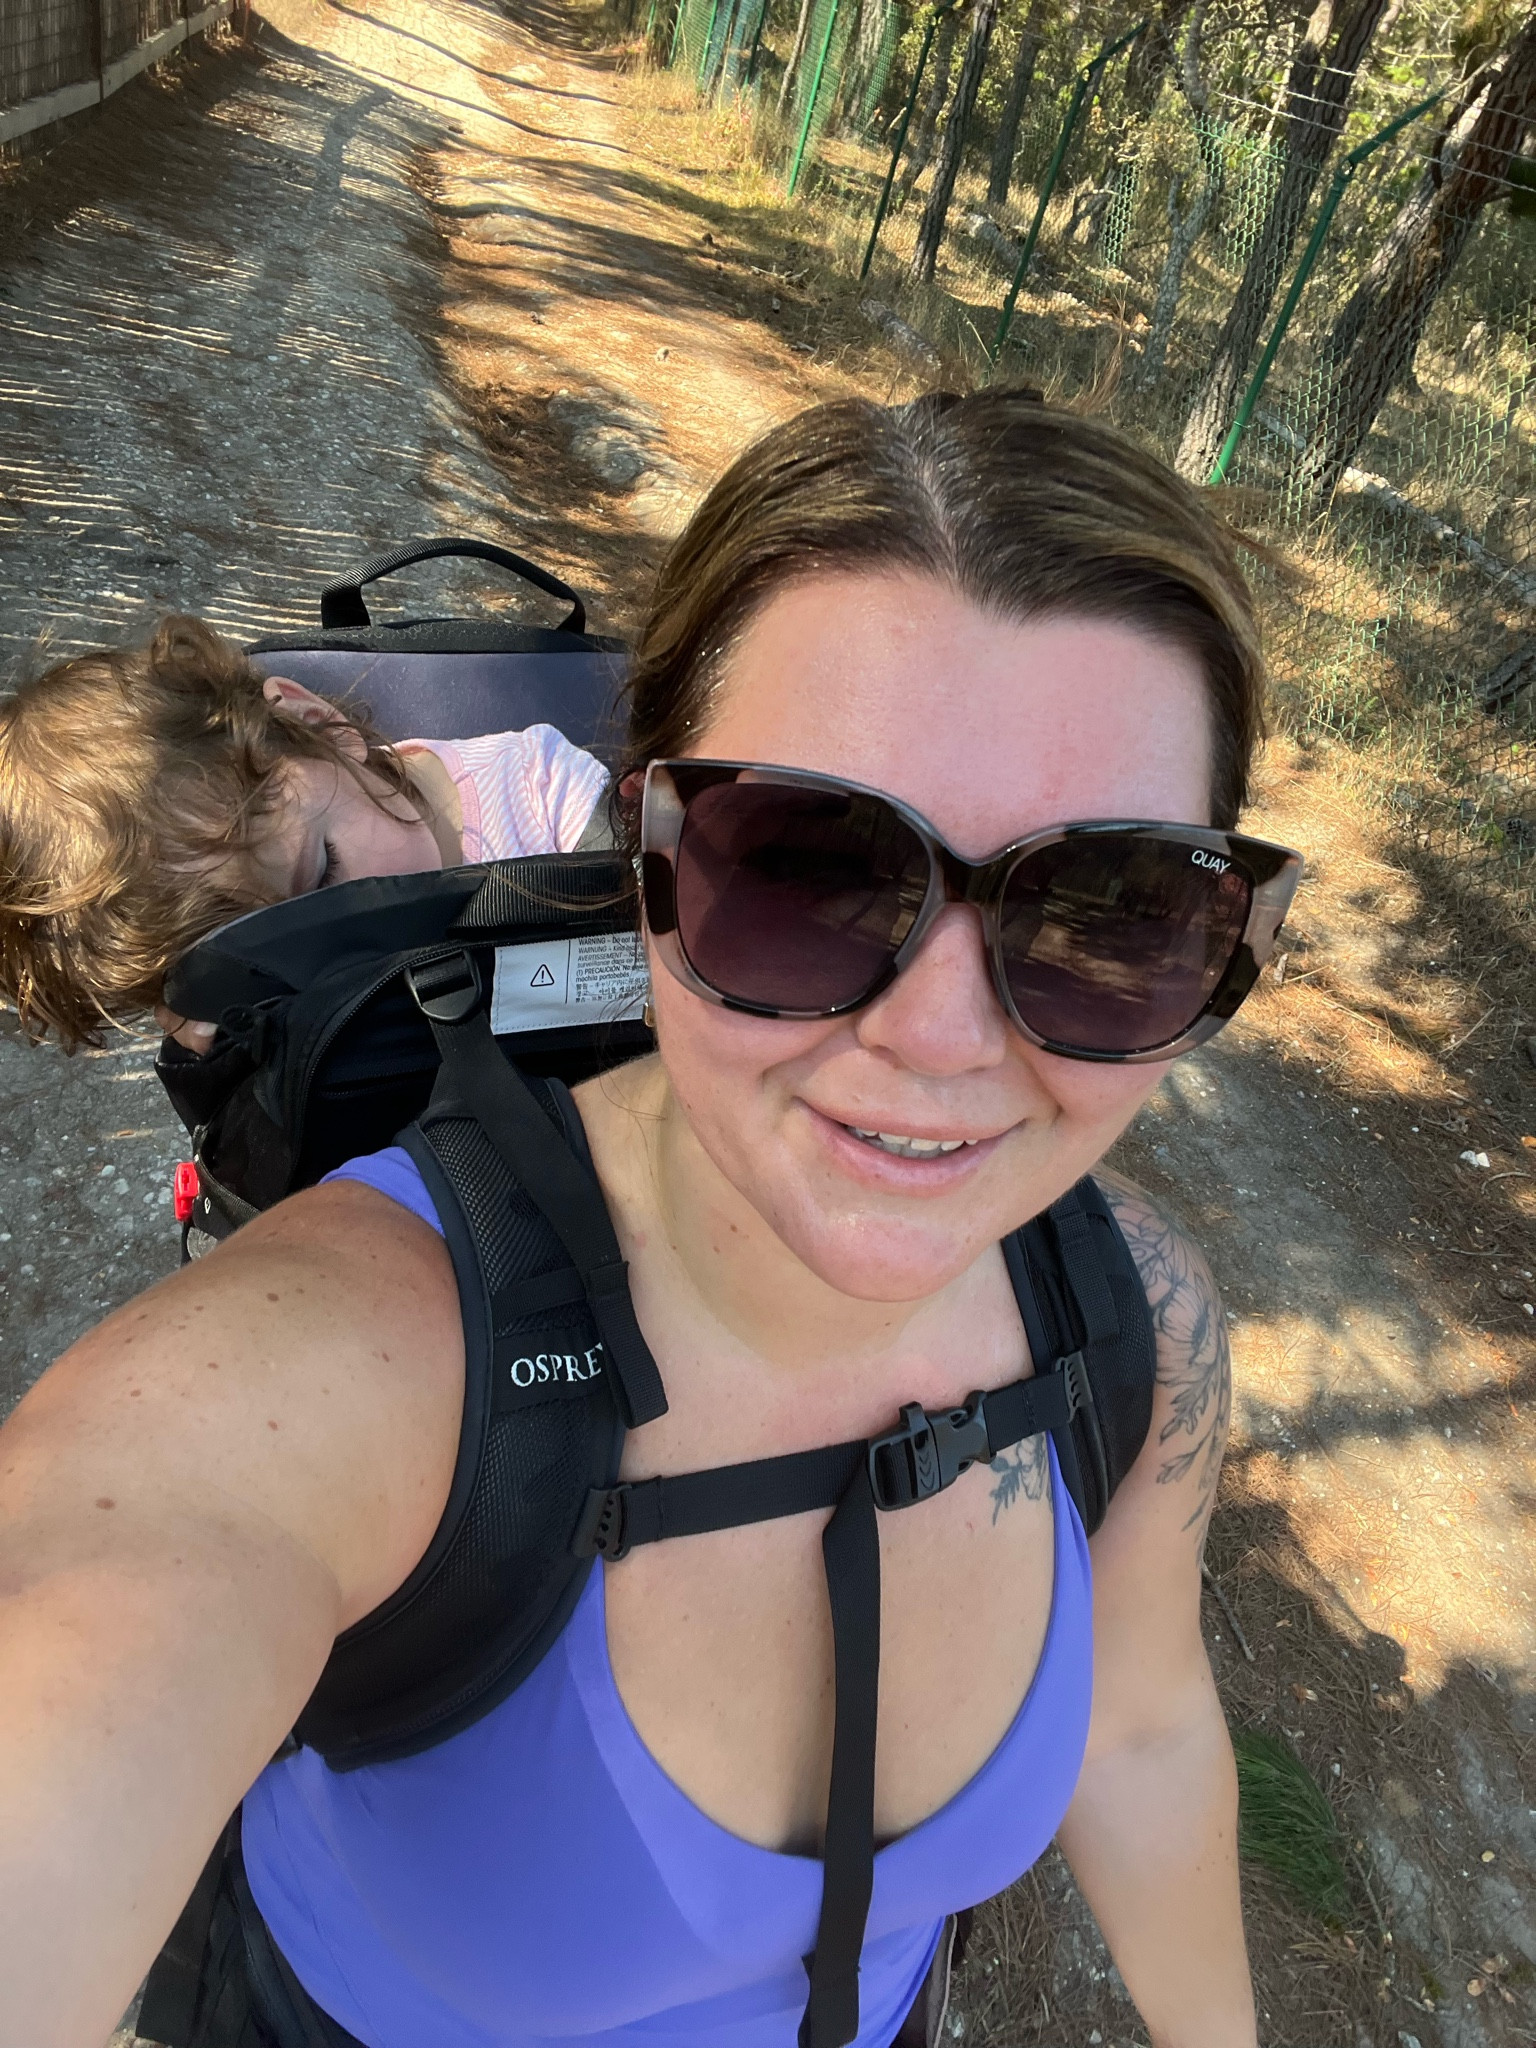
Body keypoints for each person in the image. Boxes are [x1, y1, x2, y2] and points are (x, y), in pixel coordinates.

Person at [0, 388, 1297, 2048]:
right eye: (813, 862)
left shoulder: (1140, 1316)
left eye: (1115, 905)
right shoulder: (326, 1375)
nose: (945, 1035)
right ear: (640, 860)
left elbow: (1139, 1726)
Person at [0, 615, 608, 1053]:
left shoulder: (541, 792)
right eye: (262, 963)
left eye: (324, 873)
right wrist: (248, 1053)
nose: (333, 956)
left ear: (317, 724)